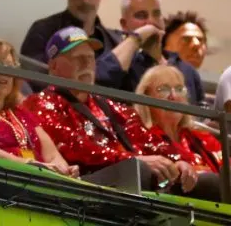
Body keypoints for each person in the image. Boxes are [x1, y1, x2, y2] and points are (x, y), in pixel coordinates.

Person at [23, 26, 212, 197]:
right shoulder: (39, 103)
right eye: (77, 59)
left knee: (208, 182)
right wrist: (135, 160)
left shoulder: (111, 105)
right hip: (86, 185)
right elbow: (78, 149)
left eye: (90, 58)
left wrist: (175, 161)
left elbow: (146, 139)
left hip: (127, 176)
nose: (86, 64)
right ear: (54, 67)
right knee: (141, 171)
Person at [0, 39, 77, 177]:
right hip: (1, 181)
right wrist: (28, 165)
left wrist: (64, 170)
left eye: (10, 66)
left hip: (39, 181)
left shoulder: (20, 112)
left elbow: (52, 156)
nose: (5, 72)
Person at [95, 0, 204, 105]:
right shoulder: (125, 67)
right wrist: (136, 38)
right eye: (141, 15)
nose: (151, 21)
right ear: (124, 24)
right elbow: (99, 81)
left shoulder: (187, 70)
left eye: (156, 14)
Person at [135, 66, 224, 174]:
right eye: (163, 89)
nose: (174, 96)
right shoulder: (141, 137)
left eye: (179, 89)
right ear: (146, 97)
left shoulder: (202, 137)